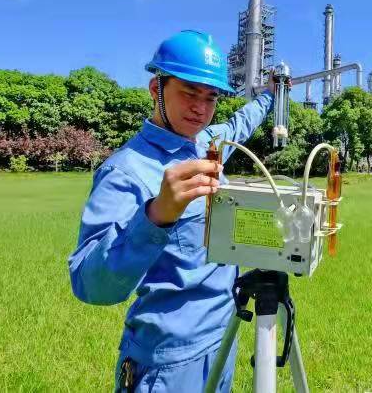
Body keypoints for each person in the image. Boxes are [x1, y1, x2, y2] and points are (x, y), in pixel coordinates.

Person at [68, 30, 277, 392]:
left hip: (223, 334)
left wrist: (271, 95)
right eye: (189, 92)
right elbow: (89, 284)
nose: (201, 108)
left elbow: (240, 123)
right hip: (168, 359)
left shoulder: (207, 143)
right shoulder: (126, 170)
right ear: (156, 88)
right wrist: (156, 215)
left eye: (211, 97)